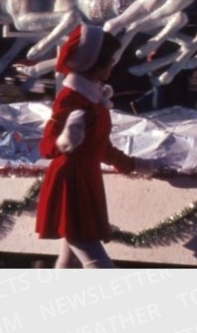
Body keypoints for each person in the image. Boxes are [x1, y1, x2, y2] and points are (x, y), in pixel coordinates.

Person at [35, 24, 157, 268]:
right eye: (109, 61)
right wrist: (66, 139)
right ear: (93, 62)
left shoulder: (95, 97)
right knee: (94, 258)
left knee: (69, 260)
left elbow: (101, 147)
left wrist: (134, 165)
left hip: (85, 179)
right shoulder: (72, 97)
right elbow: (47, 147)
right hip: (70, 182)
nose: (113, 65)